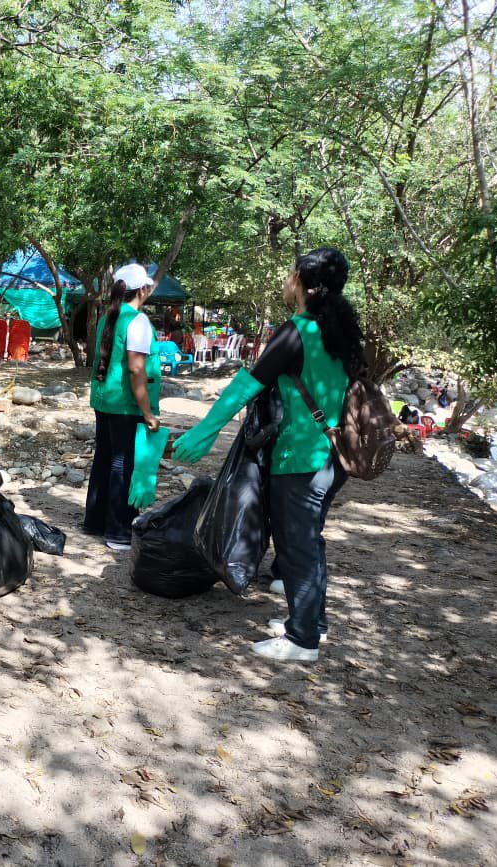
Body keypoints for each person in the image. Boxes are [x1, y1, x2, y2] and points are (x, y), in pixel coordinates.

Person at [174, 247, 365, 663]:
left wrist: (206, 431)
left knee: (298, 544)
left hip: (302, 456)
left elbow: (248, 384)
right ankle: (312, 621)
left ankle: (302, 641)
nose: (285, 281)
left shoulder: (298, 330)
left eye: (289, 273)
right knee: (308, 540)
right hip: (334, 456)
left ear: (300, 280)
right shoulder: (341, 330)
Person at [84, 263, 161, 551]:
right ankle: (118, 531)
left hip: (104, 399)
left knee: (104, 457)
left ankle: (95, 520)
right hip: (126, 405)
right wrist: (147, 411)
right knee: (122, 463)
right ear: (142, 289)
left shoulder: (109, 317)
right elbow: (136, 369)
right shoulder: (137, 321)